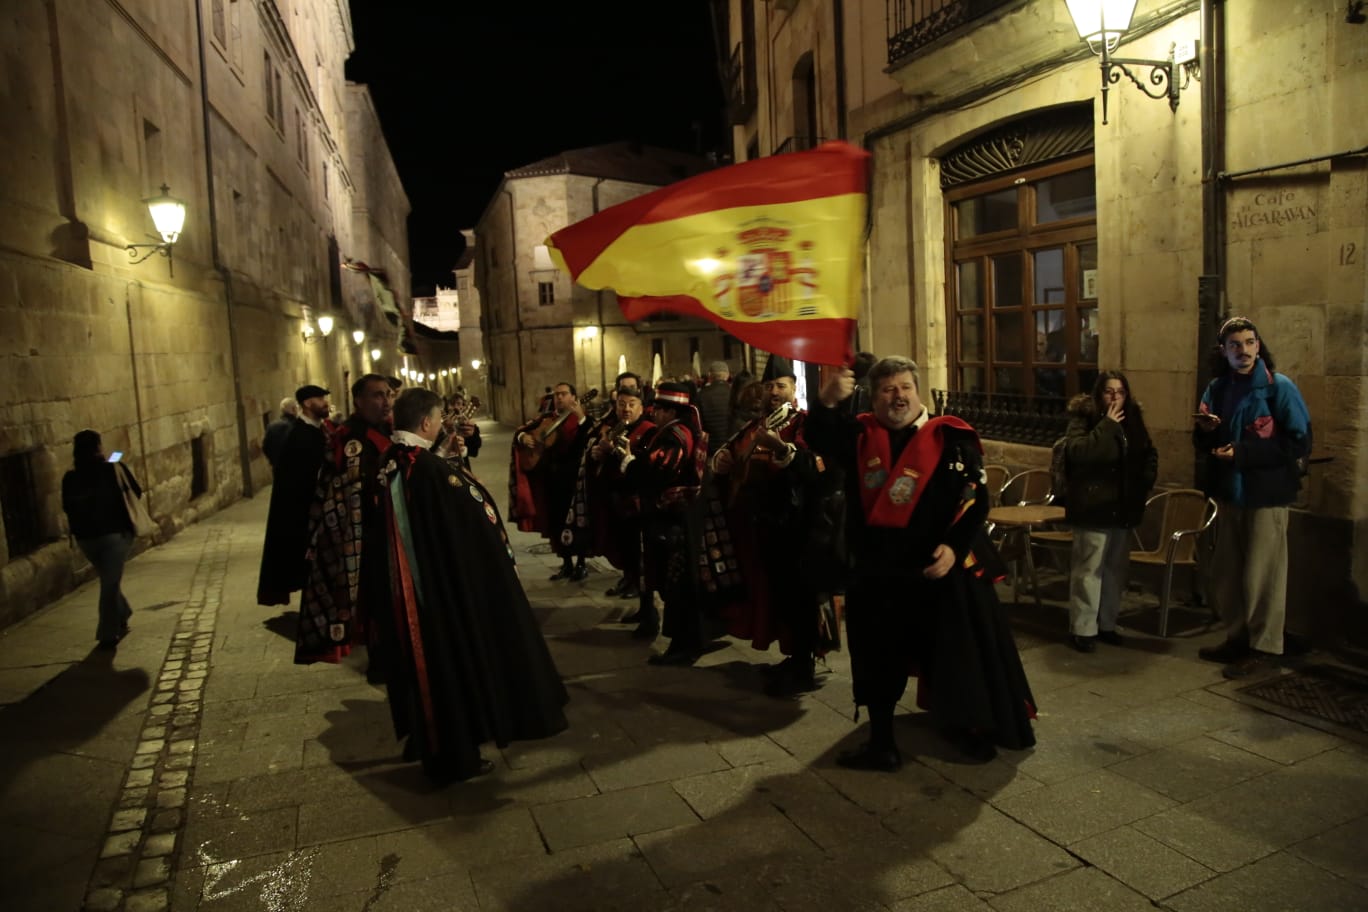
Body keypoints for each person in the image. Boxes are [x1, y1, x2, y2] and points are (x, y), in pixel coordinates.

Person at [806, 356, 1036, 768]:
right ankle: (881, 742)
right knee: (877, 660)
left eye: (904, 388)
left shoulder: (952, 438)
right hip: (876, 575)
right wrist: (826, 403)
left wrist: (953, 548)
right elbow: (818, 439)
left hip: (937, 574)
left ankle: (965, 728)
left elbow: (976, 499)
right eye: (887, 390)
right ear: (873, 398)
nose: (897, 397)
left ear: (918, 391)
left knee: (951, 655)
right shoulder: (858, 433)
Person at [381, 388, 569, 781]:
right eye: (436, 420)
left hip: (413, 592)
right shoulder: (428, 471)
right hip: (442, 592)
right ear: (427, 423)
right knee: (446, 669)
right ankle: (454, 757)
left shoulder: (395, 461)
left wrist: (448, 460)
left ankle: (433, 743)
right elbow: (470, 513)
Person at [1193, 316, 1311, 679]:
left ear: (1259, 346)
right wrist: (1207, 434)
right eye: (1234, 345)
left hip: (1266, 495)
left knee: (1264, 574)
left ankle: (1265, 647)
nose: (1242, 350)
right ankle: (1237, 637)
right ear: (1224, 351)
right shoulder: (1216, 389)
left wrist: (1243, 454)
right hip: (1230, 495)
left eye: (1248, 342)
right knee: (1228, 573)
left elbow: (1298, 442)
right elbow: (1202, 442)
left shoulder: (1280, 388)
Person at [711, 355, 829, 696]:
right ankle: (793, 657)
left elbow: (814, 468)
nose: (774, 392)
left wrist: (785, 451)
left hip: (796, 527)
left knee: (799, 600)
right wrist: (723, 461)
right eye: (769, 387)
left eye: (780, 386)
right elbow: (734, 460)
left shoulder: (803, 423)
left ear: (793, 389)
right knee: (778, 597)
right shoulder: (754, 426)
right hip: (762, 526)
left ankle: (804, 663)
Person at [295, 374, 394, 665]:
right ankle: (380, 659)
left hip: (386, 530)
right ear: (358, 401)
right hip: (365, 535)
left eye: (388, 394)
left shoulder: (387, 431)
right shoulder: (351, 438)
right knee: (374, 599)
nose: (386, 401)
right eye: (377, 395)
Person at [1061, 371, 1158, 653]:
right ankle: (1083, 628)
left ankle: (1107, 624)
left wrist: (1146, 478)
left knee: (1115, 569)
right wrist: (1107, 426)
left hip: (1123, 506)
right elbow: (1079, 453)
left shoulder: (1134, 419)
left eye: (1121, 392)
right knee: (1089, 568)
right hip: (1093, 506)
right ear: (1098, 394)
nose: (1115, 397)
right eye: (1109, 391)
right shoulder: (1085, 418)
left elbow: (1148, 451)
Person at [619, 381, 710, 660]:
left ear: (670, 411)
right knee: (676, 583)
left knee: (677, 584)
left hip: (673, 519)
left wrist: (629, 463)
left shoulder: (675, 435)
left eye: (657, 408)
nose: (653, 412)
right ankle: (684, 642)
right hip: (677, 517)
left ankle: (684, 646)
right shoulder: (680, 429)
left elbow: (658, 472)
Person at [62, 430, 139, 649]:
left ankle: (122, 612)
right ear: (98, 447)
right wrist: (114, 460)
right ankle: (107, 633)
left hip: (87, 539)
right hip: (115, 534)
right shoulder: (112, 468)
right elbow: (136, 491)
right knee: (110, 582)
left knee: (108, 580)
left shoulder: (70, 477)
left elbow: (67, 507)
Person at [257, 385, 331, 606]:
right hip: (300, 509)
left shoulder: (317, 430)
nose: (325, 402)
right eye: (319, 399)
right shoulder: (300, 434)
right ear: (307, 404)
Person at [510, 382, 590, 581]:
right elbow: (521, 430)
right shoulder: (547, 418)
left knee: (576, 522)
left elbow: (588, 438)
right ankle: (566, 564)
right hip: (552, 480)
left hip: (574, 481)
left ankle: (581, 563)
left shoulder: (582, 419)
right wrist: (523, 438)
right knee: (556, 523)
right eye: (556, 395)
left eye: (563, 394)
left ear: (574, 397)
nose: (559, 398)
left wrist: (581, 418)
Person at [697, 361, 732, 452]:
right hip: (732, 448)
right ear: (727, 375)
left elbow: (698, 425)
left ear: (710, 376)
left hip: (711, 449)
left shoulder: (701, 395)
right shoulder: (735, 394)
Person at [262, 397, 299, 468]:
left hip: (278, 469)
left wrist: (273, 461)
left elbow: (265, 447)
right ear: (293, 409)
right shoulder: (298, 426)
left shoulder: (271, 426)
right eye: (296, 408)